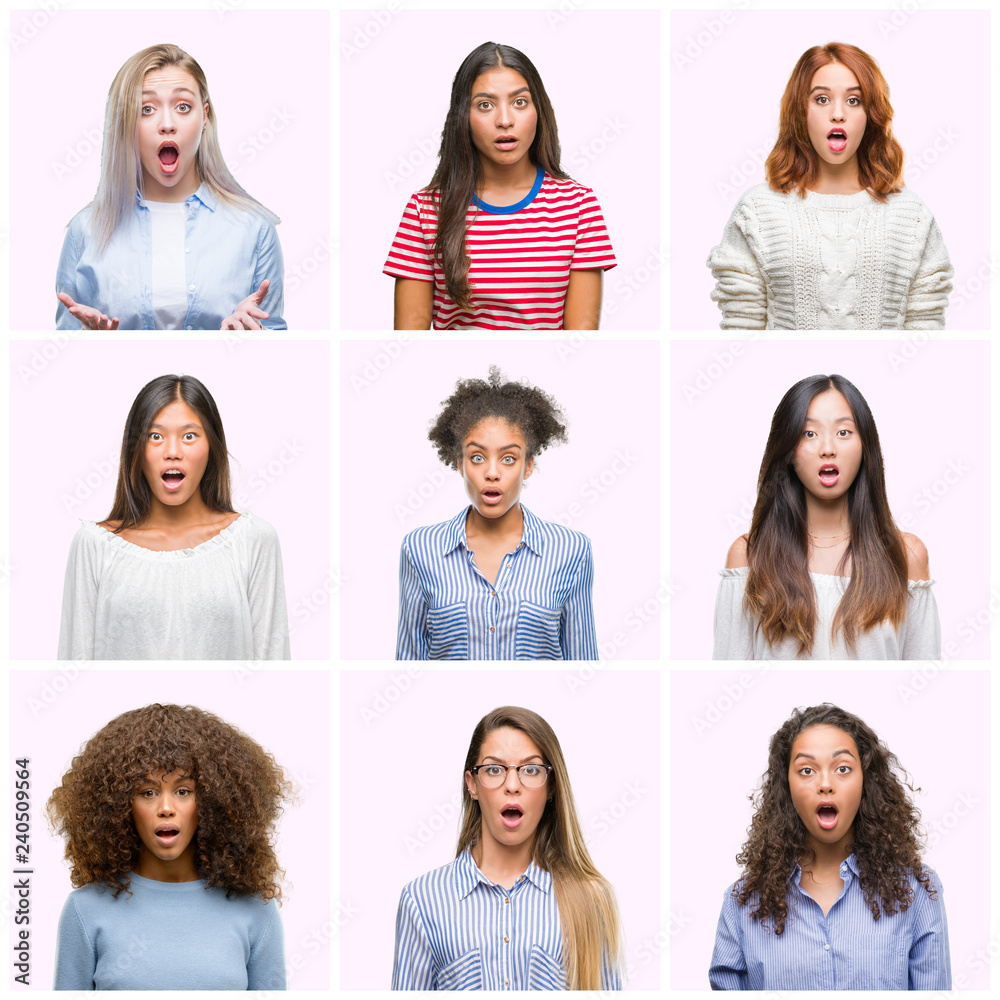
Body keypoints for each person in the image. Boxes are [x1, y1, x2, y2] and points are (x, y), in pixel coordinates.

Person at [707, 42, 952, 330]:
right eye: (821, 99)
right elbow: (741, 329)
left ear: (871, 115)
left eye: (854, 100)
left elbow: (925, 334)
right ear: (801, 111)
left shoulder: (912, 215)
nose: (838, 114)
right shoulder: (758, 211)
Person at [48, 703, 290, 990]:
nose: (165, 808)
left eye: (183, 791)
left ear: (213, 802)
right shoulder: (86, 910)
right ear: (119, 805)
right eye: (147, 792)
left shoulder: (255, 911)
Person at [709, 704, 950, 990]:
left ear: (866, 782)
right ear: (786, 785)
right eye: (807, 770)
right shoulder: (742, 903)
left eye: (843, 768)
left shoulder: (916, 891)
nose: (825, 784)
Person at [384, 42, 616, 330]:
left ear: (538, 111)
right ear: (463, 118)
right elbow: (410, 348)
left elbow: (580, 346)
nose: (505, 121)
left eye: (519, 102)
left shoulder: (579, 205)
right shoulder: (426, 209)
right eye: (485, 105)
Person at [58, 374, 289, 659]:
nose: (172, 452)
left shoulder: (255, 539)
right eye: (155, 436)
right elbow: (75, 663)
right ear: (136, 450)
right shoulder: (93, 545)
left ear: (211, 447)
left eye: (189, 436)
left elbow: (272, 660)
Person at [55, 44, 285, 331]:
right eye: (146, 109)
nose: (167, 124)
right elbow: (63, 354)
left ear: (204, 117)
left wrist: (249, 336)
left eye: (183, 107)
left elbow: (277, 348)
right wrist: (93, 343)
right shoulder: (86, 229)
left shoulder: (254, 228)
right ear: (126, 123)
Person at [392, 706, 623, 990]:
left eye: (530, 769)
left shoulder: (592, 898)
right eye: (493, 769)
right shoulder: (422, 899)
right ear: (472, 785)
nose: (512, 785)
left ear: (551, 786)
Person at [714, 374, 939, 660]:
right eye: (809, 433)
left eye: (844, 432)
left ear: (865, 446)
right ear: (788, 450)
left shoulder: (906, 554)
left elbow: (921, 670)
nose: (827, 448)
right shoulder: (749, 555)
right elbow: (729, 669)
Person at [396, 367, 596, 659]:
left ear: (527, 465)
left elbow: (582, 663)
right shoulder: (419, 548)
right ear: (460, 463)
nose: (492, 473)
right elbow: (408, 662)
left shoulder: (572, 550)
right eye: (477, 457)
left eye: (508, 458)